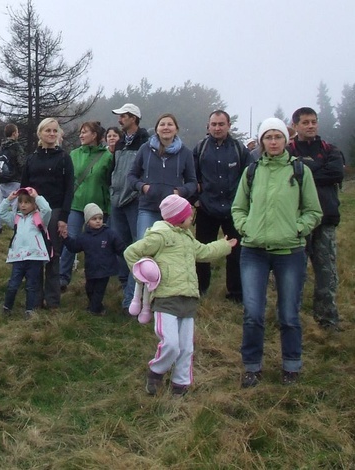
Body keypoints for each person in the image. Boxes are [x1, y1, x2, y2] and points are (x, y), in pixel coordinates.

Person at [232, 117, 322, 388]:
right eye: (268, 137)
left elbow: (313, 211)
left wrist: (297, 229)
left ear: (286, 140)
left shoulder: (300, 171)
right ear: (261, 142)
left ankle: (291, 366)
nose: (273, 142)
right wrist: (246, 227)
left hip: (290, 252)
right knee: (253, 313)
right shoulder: (252, 171)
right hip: (253, 251)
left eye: (278, 137)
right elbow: (238, 208)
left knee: (289, 314)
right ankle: (252, 367)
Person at [125, 195, 235, 396]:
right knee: (171, 344)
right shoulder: (159, 237)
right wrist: (142, 274)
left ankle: (180, 385)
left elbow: (204, 252)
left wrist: (224, 246)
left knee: (186, 347)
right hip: (166, 299)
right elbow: (131, 253)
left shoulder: (187, 238)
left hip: (188, 299)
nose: (192, 217)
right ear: (178, 218)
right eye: (188, 215)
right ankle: (156, 370)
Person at [288, 107, 345, 331]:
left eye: (313, 121)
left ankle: (327, 317)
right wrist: (315, 170)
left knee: (326, 270)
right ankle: (294, 316)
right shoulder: (287, 150)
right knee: (295, 270)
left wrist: (306, 171)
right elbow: (288, 175)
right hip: (296, 219)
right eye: (305, 122)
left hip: (325, 217)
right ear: (295, 125)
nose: (310, 126)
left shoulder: (330, 149)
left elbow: (336, 173)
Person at [193, 110, 251, 302]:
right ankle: (200, 290)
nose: (217, 128)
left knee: (235, 253)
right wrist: (196, 198)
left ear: (229, 126)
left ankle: (235, 294)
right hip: (206, 209)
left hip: (233, 210)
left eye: (221, 124)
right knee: (202, 252)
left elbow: (249, 176)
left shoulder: (239, 149)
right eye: (214, 124)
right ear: (208, 126)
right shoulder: (200, 148)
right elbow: (192, 176)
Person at [20, 118, 74, 309]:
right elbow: (24, 188)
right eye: (48, 131)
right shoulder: (31, 159)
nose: (51, 134)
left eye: (54, 131)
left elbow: (69, 189)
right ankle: (34, 299)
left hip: (56, 211)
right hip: (33, 213)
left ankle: (52, 301)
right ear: (40, 133)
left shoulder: (64, 158)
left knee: (53, 255)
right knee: (34, 255)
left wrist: (63, 218)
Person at [59, 121, 113, 291]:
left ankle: (99, 279)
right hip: (76, 204)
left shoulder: (108, 156)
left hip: (98, 207)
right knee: (71, 239)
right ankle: (62, 277)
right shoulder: (74, 154)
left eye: (84, 132)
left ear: (94, 135)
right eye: (80, 132)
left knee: (99, 244)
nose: (81, 135)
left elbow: (111, 181)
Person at [128, 113, 197, 239]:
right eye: (162, 124)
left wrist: (179, 192)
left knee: (172, 250)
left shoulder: (186, 153)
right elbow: (132, 176)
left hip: (174, 212)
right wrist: (143, 187)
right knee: (145, 248)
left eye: (170, 124)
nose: (166, 127)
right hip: (148, 208)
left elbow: (192, 182)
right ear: (156, 129)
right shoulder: (145, 149)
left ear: (176, 129)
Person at [109, 103, 150, 313]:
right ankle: (127, 288)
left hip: (134, 201)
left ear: (134, 118)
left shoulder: (146, 141)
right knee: (121, 247)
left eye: (123, 116)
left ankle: (134, 297)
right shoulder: (121, 142)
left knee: (136, 248)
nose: (119, 120)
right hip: (117, 201)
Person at [0, 187, 51, 319]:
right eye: (20, 202)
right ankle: (7, 307)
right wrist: (9, 199)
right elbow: (1, 212)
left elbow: (47, 209)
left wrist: (37, 196)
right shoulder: (16, 219)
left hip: (34, 257)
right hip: (18, 258)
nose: (23, 205)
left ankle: (30, 310)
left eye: (27, 202)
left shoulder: (40, 218)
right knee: (13, 285)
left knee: (32, 286)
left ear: (34, 204)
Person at [62, 203, 124, 316]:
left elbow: (120, 247)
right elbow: (74, 247)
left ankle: (93, 311)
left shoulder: (109, 234)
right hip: (91, 270)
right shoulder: (84, 237)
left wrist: (127, 254)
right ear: (87, 221)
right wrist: (66, 239)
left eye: (100, 218)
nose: (98, 221)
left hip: (105, 270)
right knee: (89, 289)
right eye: (94, 219)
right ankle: (99, 308)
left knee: (99, 291)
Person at [0, 123, 26, 236]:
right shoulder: (16, 147)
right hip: (14, 180)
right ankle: (16, 226)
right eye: (17, 132)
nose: (18, 134)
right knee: (15, 205)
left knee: (0, 204)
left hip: (2, 180)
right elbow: (21, 163)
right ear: (14, 133)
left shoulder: (1, 147)